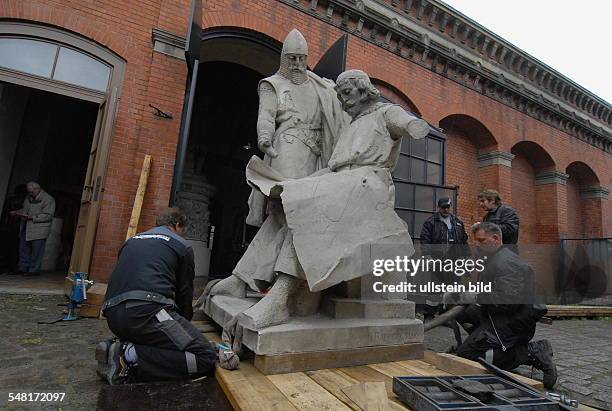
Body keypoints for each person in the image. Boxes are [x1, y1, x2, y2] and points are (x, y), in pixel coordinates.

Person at [201, 69, 429, 331]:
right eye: (340, 96)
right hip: (340, 180)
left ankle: (280, 296)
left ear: (364, 89)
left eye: (347, 93)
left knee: (310, 206)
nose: (344, 101)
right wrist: (292, 185)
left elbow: (407, 123)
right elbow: (334, 167)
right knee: (287, 202)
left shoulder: (384, 113)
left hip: (368, 184)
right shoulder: (352, 125)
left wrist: (413, 125)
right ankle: (244, 277)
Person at [200, 29, 348, 326]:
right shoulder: (272, 85)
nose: (296, 64)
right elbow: (266, 116)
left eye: (301, 59)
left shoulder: (321, 86)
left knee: (288, 220)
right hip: (287, 151)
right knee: (288, 216)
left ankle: (244, 278)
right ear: (283, 59)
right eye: (291, 58)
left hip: (315, 156)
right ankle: (269, 288)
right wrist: (265, 138)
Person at [96, 207, 217, 384]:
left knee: (162, 340)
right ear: (177, 225)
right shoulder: (181, 245)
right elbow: (184, 293)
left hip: (113, 316)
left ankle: (119, 349)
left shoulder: (131, 241)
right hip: (148, 313)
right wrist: (183, 329)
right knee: (204, 356)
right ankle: (128, 356)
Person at [444, 222, 557, 389]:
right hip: (496, 316)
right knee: (460, 311)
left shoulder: (507, 263)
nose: (477, 245)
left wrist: (475, 296)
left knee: (467, 359)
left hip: (511, 325)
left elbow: (506, 301)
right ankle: (482, 341)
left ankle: (532, 352)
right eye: (476, 241)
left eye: (482, 241)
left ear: (495, 238)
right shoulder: (495, 259)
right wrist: (459, 294)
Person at [420, 197, 468, 317]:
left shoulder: (457, 222)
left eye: (447, 207)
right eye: (443, 207)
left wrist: (465, 257)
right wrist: (427, 256)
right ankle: (430, 314)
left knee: (452, 287)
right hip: (438, 259)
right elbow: (425, 240)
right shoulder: (431, 222)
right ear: (438, 208)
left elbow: (463, 240)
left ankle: (446, 315)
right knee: (436, 286)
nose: (446, 210)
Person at [9, 182, 55, 276]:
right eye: (29, 192)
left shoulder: (48, 199)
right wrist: (17, 212)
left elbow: (48, 216)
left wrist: (32, 217)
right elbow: (25, 210)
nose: (30, 194)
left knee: (36, 251)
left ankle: (33, 270)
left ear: (38, 189)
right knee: (23, 249)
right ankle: (22, 268)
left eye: (32, 192)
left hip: (39, 229)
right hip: (26, 226)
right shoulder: (28, 198)